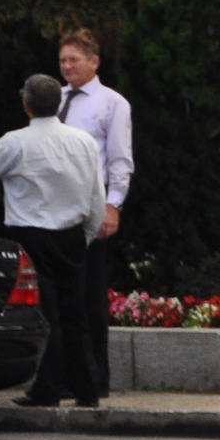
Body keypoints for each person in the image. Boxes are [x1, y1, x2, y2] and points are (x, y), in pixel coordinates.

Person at [0, 74, 106, 406]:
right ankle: (87, 389)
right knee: (76, 315)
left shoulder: (15, 143)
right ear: (58, 103)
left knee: (46, 315)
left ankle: (47, 389)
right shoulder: (83, 141)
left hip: (31, 237)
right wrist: (85, 236)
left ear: (26, 105)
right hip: (72, 235)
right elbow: (96, 196)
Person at [58, 27, 133, 397]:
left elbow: (119, 160)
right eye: (63, 60)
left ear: (94, 61)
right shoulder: (53, 100)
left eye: (74, 60)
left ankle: (94, 378)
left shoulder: (111, 103)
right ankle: (59, 377)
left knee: (89, 298)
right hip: (54, 208)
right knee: (58, 297)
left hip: (89, 207)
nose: (68, 67)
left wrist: (112, 205)